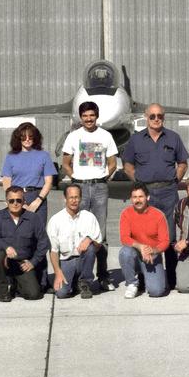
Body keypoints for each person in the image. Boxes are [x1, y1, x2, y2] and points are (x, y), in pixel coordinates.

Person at [121, 103, 188, 284]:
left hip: (168, 192)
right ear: (146, 117)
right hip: (146, 192)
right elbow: (127, 165)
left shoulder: (173, 137)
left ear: (163, 117)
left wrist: (174, 181)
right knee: (144, 233)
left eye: (160, 116)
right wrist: (139, 185)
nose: (156, 119)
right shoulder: (136, 140)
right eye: (152, 116)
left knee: (170, 234)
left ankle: (172, 277)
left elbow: (182, 163)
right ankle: (145, 275)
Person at [60, 101, 118, 289]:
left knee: (100, 234)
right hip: (80, 187)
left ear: (97, 116)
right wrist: (75, 179)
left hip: (100, 187)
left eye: (91, 115)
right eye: (85, 116)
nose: (88, 119)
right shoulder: (73, 136)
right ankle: (79, 277)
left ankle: (103, 276)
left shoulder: (106, 136)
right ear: (80, 117)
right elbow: (66, 163)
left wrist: (102, 178)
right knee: (78, 231)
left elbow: (113, 163)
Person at [0, 188, 50, 301]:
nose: (15, 203)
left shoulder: (33, 218)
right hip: (4, 261)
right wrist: (6, 247)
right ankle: (3, 290)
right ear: (6, 202)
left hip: (22, 263)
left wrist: (33, 262)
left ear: (24, 201)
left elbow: (44, 242)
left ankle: (15, 284)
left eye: (18, 200)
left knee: (34, 294)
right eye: (11, 201)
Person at [45, 184, 100, 299]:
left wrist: (89, 239)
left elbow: (98, 245)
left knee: (90, 248)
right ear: (65, 198)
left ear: (81, 198)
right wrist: (57, 272)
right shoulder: (55, 220)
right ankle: (75, 283)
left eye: (77, 197)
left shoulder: (89, 217)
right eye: (71, 197)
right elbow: (53, 251)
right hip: (66, 261)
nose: (74, 201)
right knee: (61, 293)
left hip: (82, 260)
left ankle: (85, 282)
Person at [118, 183, 169, 298]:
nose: (138, 200)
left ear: (148, 197)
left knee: (156, 292)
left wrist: (152, 250)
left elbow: (165, 241)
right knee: (125, 252)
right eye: (134, 197)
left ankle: (145, 276)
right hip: (135, 254)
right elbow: (124, 238)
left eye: (141, 196)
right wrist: (141, 247)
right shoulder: (126, 213)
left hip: (152, 256)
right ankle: (132, 283)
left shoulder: (158, 215)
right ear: (131, 199)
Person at [1, 122, 56, 226]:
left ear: (35, 137)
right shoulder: (10, 157)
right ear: (18, 138)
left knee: (38, 232)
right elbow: (6, 182)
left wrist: (38, 201)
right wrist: (16, 200)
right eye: (23, 137)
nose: (27, 139)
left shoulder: (44, 156)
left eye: (30, 136)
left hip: (38, 197)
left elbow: (49, 182)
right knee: (18, 231)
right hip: (17, 197)